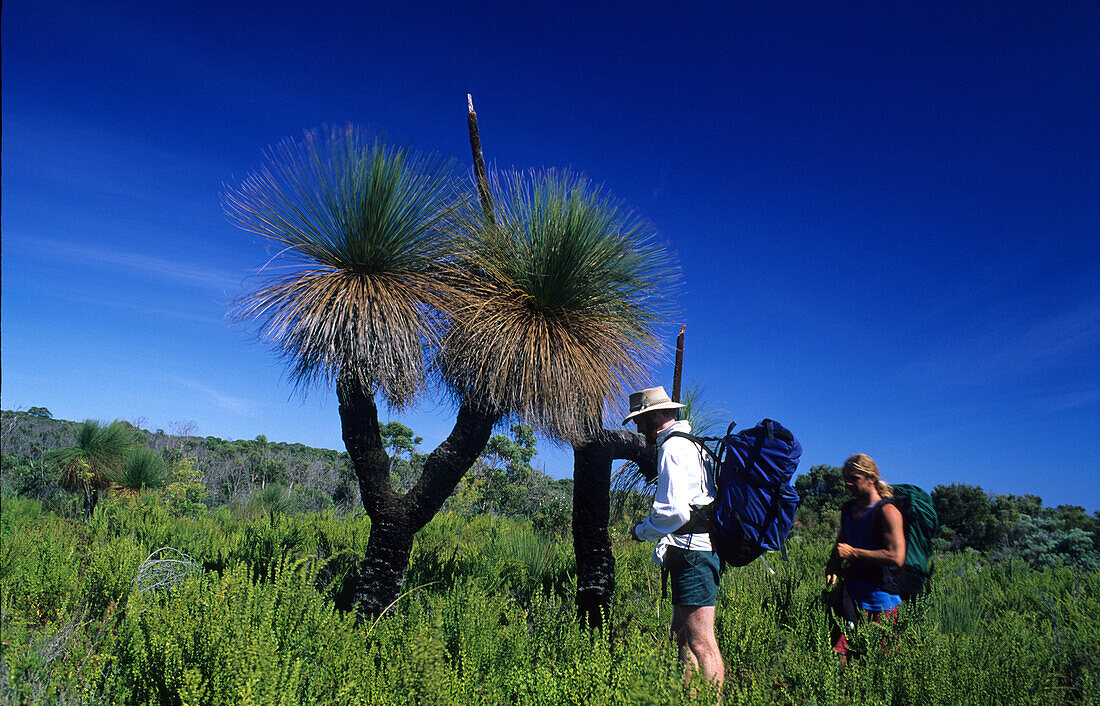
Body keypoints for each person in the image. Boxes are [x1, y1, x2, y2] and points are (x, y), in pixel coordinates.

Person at [624, 386, 724, 687]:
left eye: (641, 420)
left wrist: (641, 531)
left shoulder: (672, 449)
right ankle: (691, 697)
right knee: (682, 637)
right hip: (698, 551)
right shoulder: (695, 445)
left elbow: (675, 513)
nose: (640, 428)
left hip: (693, 555)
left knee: (702, 643)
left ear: (655, 417)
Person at [825, 453, 906, 661]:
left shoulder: (888, 511)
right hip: (852, 596)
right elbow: (841, 543)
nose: (848, 484)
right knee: (840, 654)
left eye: (854, 478)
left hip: (881, 599)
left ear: (871, 478)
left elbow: (896, 556)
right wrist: (833, 565)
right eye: (846, 479)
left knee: (881, 660)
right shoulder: (849, 509)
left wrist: (853, 553)